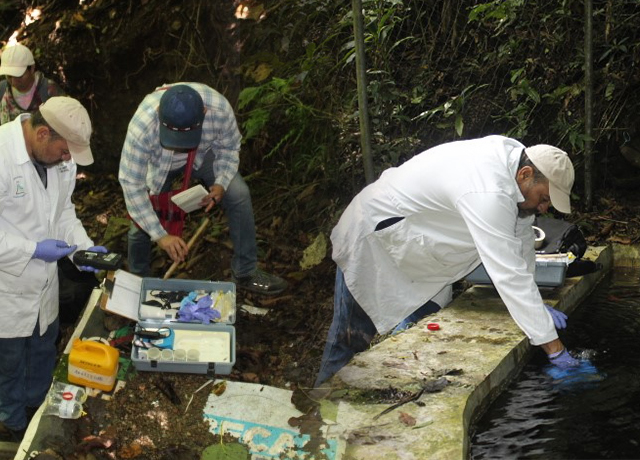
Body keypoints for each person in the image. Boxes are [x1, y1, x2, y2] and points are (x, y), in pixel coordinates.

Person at [315, 135, 586, 387]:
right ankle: (316, 414)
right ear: (525, 175)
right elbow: (508, 274)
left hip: (421, 253)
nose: (544, 208)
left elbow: (522, 240)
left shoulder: (515, 167)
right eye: (544, 198)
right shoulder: (488, 190)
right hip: (373, 236)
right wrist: (555, 349)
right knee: (348, 339)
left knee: (417, 331)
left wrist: (535, 306)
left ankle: (392, 392)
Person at [0, 96, 106, 441]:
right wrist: (31, 249)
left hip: (44, 285)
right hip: (6, 289)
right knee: (8, 365)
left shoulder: (60, 162)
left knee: (43, 350)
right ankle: (12, 427)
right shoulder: (2, 155)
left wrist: (85, 251)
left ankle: (37, 414)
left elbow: (63, 214)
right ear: (43, 133)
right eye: (64, 151)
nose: (68, 159)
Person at [119, 82, 287, 295]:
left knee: (239, 194)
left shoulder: (218, 110)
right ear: (159, 114)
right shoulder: (142, 126)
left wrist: (221, 183)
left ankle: (245, 271)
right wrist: (161, 236)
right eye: (174, 137)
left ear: (204, 113)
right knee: (140, 224)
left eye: (185, 136)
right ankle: (139, 282)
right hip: (160, 161)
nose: (180, 145)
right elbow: (131, 184)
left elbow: (229, 147)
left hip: (203, 154)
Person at [0, 42, 65, 125]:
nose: (13, 82)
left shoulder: (49, 90)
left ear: (32, 68)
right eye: (9, 76)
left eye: (19, 76)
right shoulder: (2, 90)